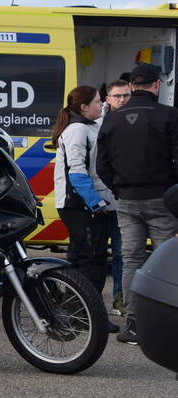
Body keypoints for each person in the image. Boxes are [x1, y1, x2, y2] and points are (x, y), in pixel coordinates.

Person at [97, 63, 178, 345]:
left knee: (131, 260)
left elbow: (101, 165)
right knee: (168, 259)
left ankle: (134, 324)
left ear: (132, 86)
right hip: (162, 199)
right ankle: (168, 323)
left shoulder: (112, 120)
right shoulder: (170, 115)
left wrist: (118, 188)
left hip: (127, 200)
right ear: (157, 85)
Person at [48, 86, 115, 312]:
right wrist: (96, 202)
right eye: (97, 101)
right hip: (79, 205)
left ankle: (80, 312)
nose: (101, 104)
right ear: (84, 107)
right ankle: (84, 314)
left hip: (85, 205)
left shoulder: (89, 125)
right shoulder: (77, 130)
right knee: (89, 261)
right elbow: (76, 172)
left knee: (88, 259)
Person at [103, 80, 132, 314]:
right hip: (100, 198)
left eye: (126, 95)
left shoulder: (135, 121)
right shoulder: (98, 122)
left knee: (122, 253)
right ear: (108, 99)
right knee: (94, 255)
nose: (122, 100)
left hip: (122, 199)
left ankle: (120, 299)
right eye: (117, 96)